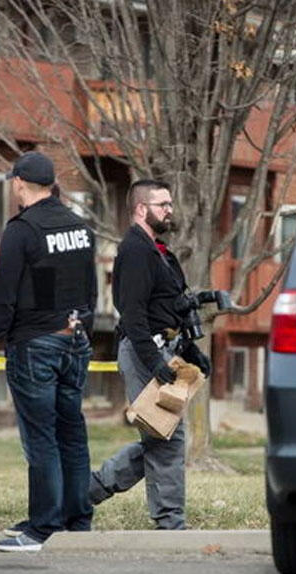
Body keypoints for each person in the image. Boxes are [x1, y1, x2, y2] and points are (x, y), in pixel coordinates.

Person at [0, 151, 97, 552]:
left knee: (41, 437)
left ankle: (42, 527)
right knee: (71, 433)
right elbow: (88, 289)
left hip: (35, 344)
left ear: (19, 183)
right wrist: (82, 330)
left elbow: (4, 297)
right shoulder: (80, 226)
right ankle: (77, 520)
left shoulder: (22, 230)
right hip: (75, 339)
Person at [88, 179, 211, 531]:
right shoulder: (135, 250)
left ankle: (88, 491)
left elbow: (167, 308)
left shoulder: (159, 251)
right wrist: (154, 361)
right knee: (166, 437)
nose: (170, 210)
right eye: (163, 205)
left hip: (164, 348)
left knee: (161, 436)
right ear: (142, 209)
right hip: (145, 350)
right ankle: (170, 521)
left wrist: (191, 350)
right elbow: (133, 314)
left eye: (170, 204)